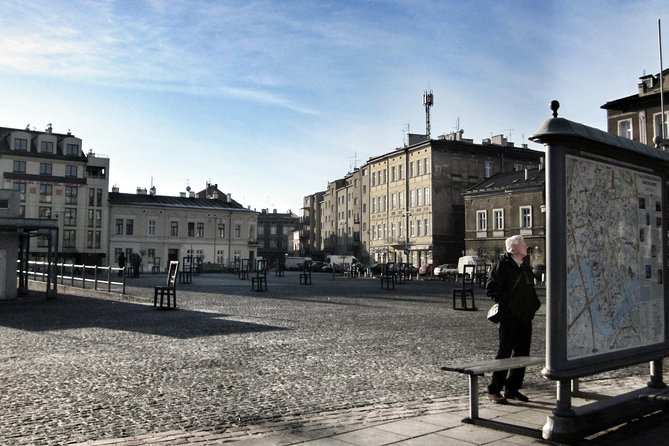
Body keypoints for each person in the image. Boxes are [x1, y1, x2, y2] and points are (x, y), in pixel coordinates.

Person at [486, 235, 541, 404]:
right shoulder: (502, 265)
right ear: (514, 249)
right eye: (523, 244)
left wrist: (534, 305)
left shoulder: (524, 266)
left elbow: (530, 288)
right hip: (510, 318)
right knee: (504, 353)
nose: (526, 246)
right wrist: (508, 306)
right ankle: (494, 389)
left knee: (522, 354)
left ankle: (512, 388)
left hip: (525, 317)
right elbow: (492, 288)